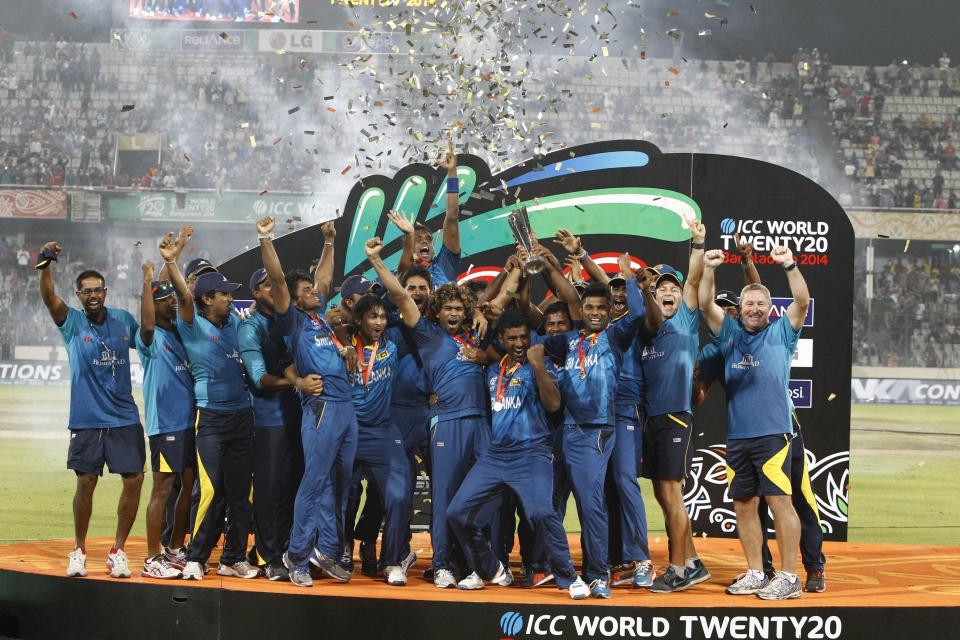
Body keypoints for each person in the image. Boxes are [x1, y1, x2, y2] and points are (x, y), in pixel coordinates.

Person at [446, 308, 590, 600]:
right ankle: (490, 569)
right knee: (457, 512)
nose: (520, 343)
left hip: (532, 453)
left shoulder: (542, 365)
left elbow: (553, 405)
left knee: (541, 513)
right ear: (502, 339)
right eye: (512, 338)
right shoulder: (493, 369)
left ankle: (569, 577)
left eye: (524, 337)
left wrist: (537, 367)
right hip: (496, 455)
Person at [699, 246, 810, 600]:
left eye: (761, 304)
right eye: (750, 304)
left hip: (773, 434)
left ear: (769, 309)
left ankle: (790, 576)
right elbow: (704, 304)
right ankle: (756, 572)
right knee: (744, 505)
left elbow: (803, 301)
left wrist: (790, 265)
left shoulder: (782, 332)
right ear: (742, 308)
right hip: (738, 436)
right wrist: (709, 267)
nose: (755, 308)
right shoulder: (729, 334)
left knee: (779, 502)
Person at [384, 231, 491, 589]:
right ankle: (438, 562)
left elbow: (497, 301)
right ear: (437, 310)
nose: (455, 313)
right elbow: (399, 295)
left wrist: (515, 269)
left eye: (460, 308)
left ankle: (478, 563)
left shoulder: (474, 335)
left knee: (482, 494)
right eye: (449, 308)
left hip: (475, 422)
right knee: (437, 494)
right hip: (437, 419)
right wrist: (376, 261)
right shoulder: (426, 333)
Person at [540, 263, 652, 599]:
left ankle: (598, 574)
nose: (594, 312)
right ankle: (554, 567)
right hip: (568, 432)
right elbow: (531, 338)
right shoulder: (569, 341)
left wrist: (629, 279)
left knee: (591, 505)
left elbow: (639, 311)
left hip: (597, 432)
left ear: (608, 312)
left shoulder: (615, 337)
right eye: (589, 307)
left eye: (601, 307)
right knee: (552, 505)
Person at [258, 216, 358, 588]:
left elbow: (327, 279)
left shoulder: (321, 320)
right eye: (308, 289)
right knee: (314, 482)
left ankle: (327, 550)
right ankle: (296, 556)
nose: (316, 291)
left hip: (346, 406)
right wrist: (266, 238)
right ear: (295, 299)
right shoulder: (294, 321)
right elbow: (280, 281)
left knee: (340, 483)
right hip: (322, 407)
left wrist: (329, 241)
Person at [37, 242, 144, 579]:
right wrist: (45, 264)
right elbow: (49, 298)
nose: (93, 295)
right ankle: (79, 550)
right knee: (85, 482)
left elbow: (150, 340)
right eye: (87, 291)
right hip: (86, 418)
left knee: (135, 479)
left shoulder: (124, 320)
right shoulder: (71, 323)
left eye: (98, 290)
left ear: (106, 292)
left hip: (124, 416)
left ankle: (118, 551)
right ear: (79, 295)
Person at [159, 231, 258, 581]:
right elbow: (184, 296)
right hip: (211, 418)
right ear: (206, 299)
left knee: (242, 494)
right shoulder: (192, 324)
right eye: (224, 295)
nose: (231, 299)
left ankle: (233, 558)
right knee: (211, 490)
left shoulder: (233, 322)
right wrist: (171, 261)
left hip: (242, 416)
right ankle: (196, 557)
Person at [640, 220, 710, 594]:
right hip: (652, 419)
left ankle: (678, 568)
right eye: (660, 288)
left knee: (670, 494)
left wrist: (698, 243)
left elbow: (696, 279)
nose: (667, 292)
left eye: (673, 287)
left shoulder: (685, 316)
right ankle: (694, 561)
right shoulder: (646, 329)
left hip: (674, 417)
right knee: (664, 496)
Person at [238, 265, 304, 581]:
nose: (273, 290)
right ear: (255, 293)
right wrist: (297, 383)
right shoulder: (251, 327)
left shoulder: (289, 320)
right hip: (268, 421)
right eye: (266, 285)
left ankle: (282, 548)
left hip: (297, 418)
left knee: (291, 488)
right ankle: (267, 555)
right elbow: (258, 378)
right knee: (269, 490)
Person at [136, 261, 196, 580]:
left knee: (187, 486)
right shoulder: (149, 337)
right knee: (162, 489)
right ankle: (151, 557)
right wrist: (148, 281)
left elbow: (175, 295)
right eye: (164, 299)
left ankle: (174, 548)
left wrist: (176, 254)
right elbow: (147, 320)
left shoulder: (179, 333)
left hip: (188, 423)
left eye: (172, 298)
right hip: (165, 425)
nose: (171, 302)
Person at [393, 136, 462, 286]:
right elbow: (403, 270)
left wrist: (452, 173)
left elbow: (451, 215)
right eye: (417, 239)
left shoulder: (445, 265)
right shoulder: (401, 275)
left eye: (428, 239)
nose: (425, 241)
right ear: (408, 247)